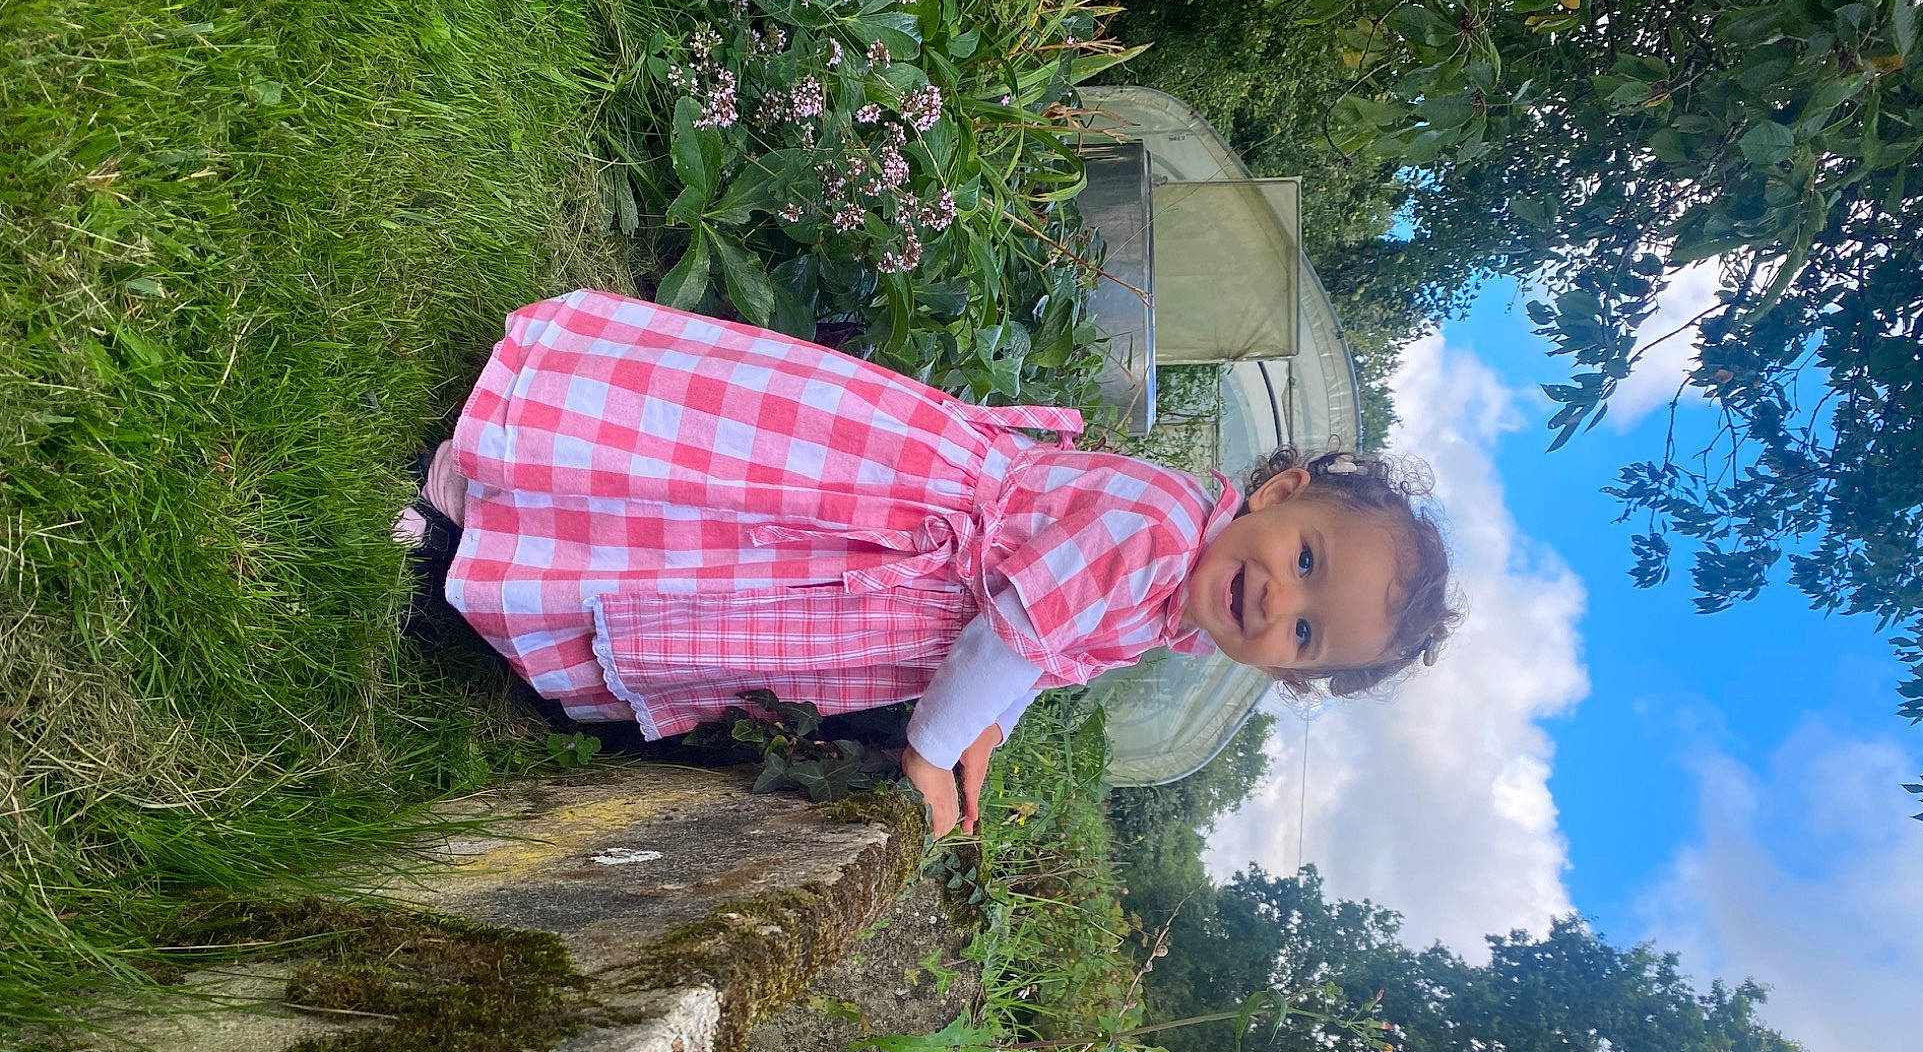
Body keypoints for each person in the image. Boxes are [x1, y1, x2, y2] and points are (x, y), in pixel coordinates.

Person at [398, 290, 1459, 835]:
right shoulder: (1160, 527)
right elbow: (1012, 633)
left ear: (1279, 670)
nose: (1281, 598)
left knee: (702, 558)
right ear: (1275, 496)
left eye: (1306, 632)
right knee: (709, 501)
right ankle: (478, 486)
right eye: (1307, 557)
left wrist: (981, 736)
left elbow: (1040, 653)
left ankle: (500, 532)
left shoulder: (1173, 605)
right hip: (883, 514)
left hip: (893, 585)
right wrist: (929, 751)